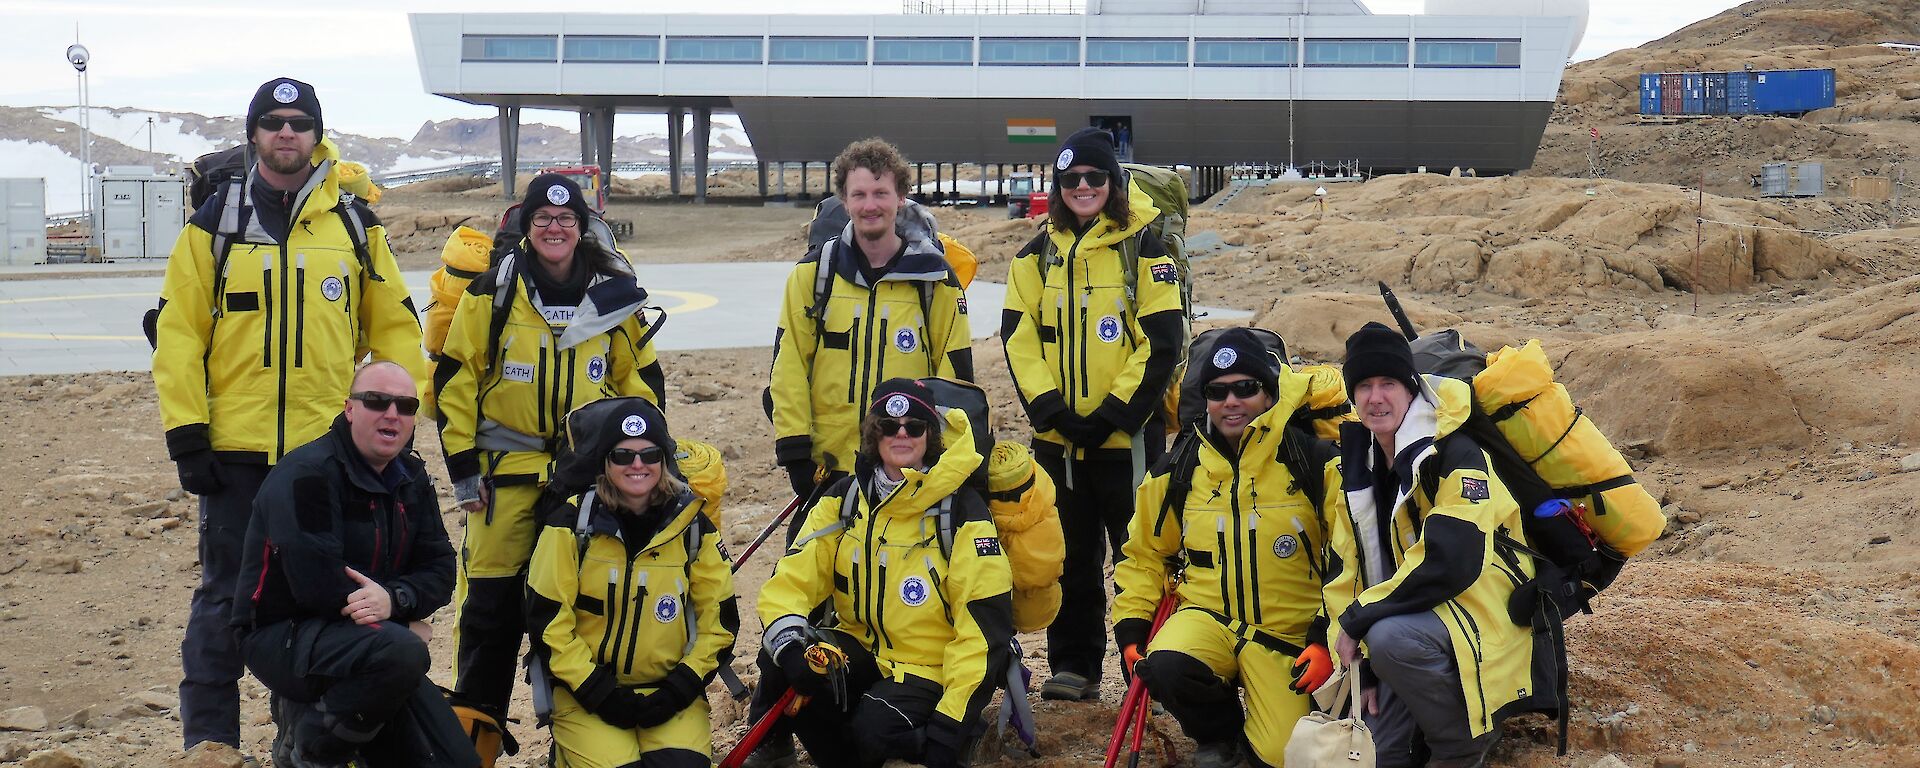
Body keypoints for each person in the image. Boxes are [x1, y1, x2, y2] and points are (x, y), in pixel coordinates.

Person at [152, 76, 428, 753]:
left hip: (323, 462)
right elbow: (180, 333)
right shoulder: (214, 225)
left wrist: (394, 424)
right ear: (253, 134)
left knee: (315, 601)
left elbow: (394, 331)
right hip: (234, 455)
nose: (285, 132)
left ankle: (301, 745)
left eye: (299, 122)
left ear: (315, 134)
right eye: (272, 121)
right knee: (223, 602)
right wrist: (188, 432)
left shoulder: (353, 228)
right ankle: (210, 746)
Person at [434, 173, 667, 729]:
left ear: (582, 227)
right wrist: (464, 471)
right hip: (504, 483)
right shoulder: (491, 294)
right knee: (490, 616)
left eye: (566, 219)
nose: (555, 228)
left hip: (588, 483)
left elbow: (642, 383)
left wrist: (643, 464)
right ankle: (475, 745)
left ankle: (583, 745)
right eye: (543, 219)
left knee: (584, 615)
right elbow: (455, 379)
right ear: (527, 227)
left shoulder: (613, 298)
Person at [1000, 127, 1185, 700]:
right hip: (1058, 443)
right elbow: (1017, 335)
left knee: (1141, 558)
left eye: (1095, 177)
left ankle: (1146, 671)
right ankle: (1074, 667)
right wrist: (1051, 409)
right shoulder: (1035, 256)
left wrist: (1112, 415)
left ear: (1114, 181)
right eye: (1071, 178)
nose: (1083, 186)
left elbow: (1161, 339)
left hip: (1126, 442)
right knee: (1069, 557)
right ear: (1057, 186)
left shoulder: (1148, 250)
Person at [750, 379, 1013, 768]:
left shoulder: (960, 510)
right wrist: (790, 649)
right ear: (874, 433)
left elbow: (983, 629)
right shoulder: (845, 497)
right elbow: (793, 578)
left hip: (929, 666)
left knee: (876, 731)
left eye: (915, 425)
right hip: (859, 644)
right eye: (889, 426)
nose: (901, 433)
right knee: (781, 663)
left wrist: (950, 723)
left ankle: (964, 740)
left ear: (931, 435)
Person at [1112, 329, 1342, 768]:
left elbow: (1351, 559)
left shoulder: (1315, 462)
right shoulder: (1177, 469)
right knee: (1165, 665)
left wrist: (1323, 637)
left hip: (1287, 635)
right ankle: (1219, 736)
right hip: (1208, 618)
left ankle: (1256, 741)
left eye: (1245, 388)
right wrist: (1131, 629)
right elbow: (1143, 554)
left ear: (1269, 393)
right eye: (1217, 392)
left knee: (1282, 755)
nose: (1230, 401)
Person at [1327, 323, 1550, 768]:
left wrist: (1361, 621)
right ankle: (1432, 718)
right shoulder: (1356, 466)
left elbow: (1453, 560)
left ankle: (1461, 745)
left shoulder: (1455, 452)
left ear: (1411, 388)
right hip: (1414, 614)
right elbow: (1347, 572)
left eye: (1388, 383)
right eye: (1364, 386)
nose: (1376, 398)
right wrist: (1362, 669)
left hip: (1482, 609)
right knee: (1378, 756)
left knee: (1388, 638)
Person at [230, 361, 472, 768]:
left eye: (406, 405)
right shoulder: (307, 474)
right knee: (406, 652)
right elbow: (317, 586)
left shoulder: (410, 476)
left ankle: (350, 731)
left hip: (374, 640)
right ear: (349, 409)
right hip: (282, 637)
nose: (392, 414)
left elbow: (441, 571)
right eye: (377, 401)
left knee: (457, 760)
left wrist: (394, 600)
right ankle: (311, 744)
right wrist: (402, 624)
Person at [524, 397, 736, 768]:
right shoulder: (569, 526)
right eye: (623, 456)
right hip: (585, 694)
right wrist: (595, 690)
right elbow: (547, 621)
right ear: (605, 462)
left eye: (649, 454)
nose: (637, 465)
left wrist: (681, 687)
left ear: (663, 461)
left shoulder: (692, 528)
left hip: (670, 693)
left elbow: (719, 623)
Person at [769, 139, 973, 514]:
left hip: (907, 469)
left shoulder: (934, 279)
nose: (870, 205)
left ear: (901, 198)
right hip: (829, 467)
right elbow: (789, 364)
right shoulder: (812, 276)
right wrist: (795, 447)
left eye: (881, 192)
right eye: (858, 194)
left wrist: (940, 453)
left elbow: (954, 375)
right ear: (844, 201)